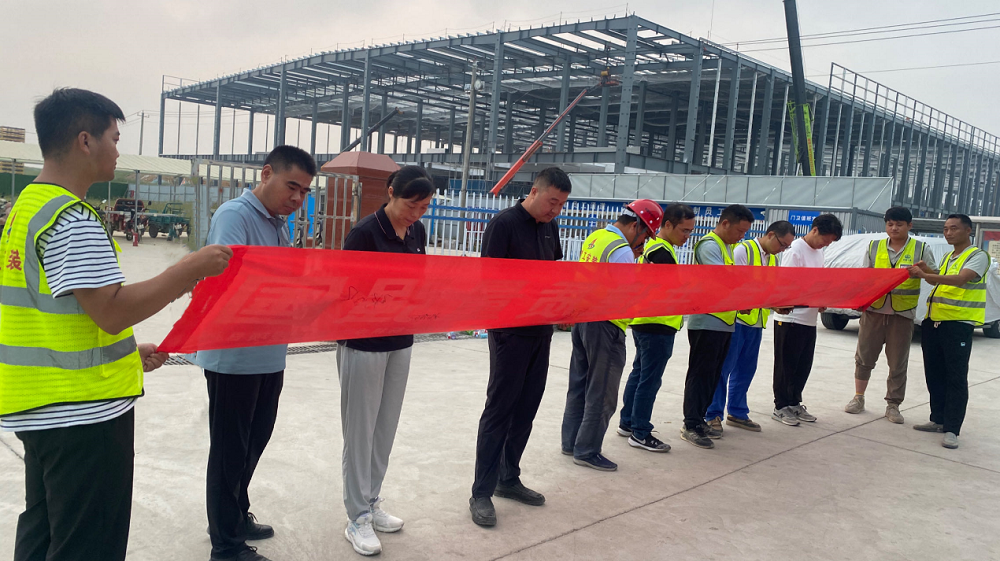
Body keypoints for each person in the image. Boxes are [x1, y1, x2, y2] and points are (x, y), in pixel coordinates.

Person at [0, 88, 231, 561]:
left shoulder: (27, 207)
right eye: (114, 138)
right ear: (85, 141)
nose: (118, 151)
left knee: (43, 532)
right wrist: (188, 269)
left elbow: (60, 314)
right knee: (87, 545)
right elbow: (111, 312)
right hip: (82, 416)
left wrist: (126, 354)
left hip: (41, 406)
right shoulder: (72, 217)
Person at [190, 145, 317, 561]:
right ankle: (226, 546)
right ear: (266, 174)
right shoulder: (236, 216)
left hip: (268, 353)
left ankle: (235, 516)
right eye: (292, 186)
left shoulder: (278, 224)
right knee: (229, 452)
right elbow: (229, 283)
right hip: (235, 357)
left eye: (304, 192)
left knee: (253, 444)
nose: (297, 198)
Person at [338, 166, 433, 555]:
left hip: (401, 340)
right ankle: (356, 516)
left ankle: (372, 500)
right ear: (391, 192)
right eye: (411, 205)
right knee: (360, 431)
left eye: (424, 208)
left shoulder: (417, 233)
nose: (416, 214)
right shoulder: (364, 234)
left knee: (385, 427)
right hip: (363, 344)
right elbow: (346, 290)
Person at [469, 168, 571, 527]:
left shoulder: (550, 228)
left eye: (561, 205)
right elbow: (489, 280)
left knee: (527, 408)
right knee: (500, 409)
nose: (555, 210)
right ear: (534, 191)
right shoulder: (504, 225)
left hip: (541, 332)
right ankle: (481, 492)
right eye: (552, 202)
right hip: (510, 333)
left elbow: (552, 273)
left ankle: (508, 478)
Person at [562, 199, 663, 471]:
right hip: (606, 326)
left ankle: (571, 442)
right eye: (645, 235)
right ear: (635, 226)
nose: (643, 242)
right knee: (603, 392)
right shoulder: (621, 250)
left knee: (579, 386)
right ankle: (587, 450)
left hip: (583, 320)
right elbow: (625, 294)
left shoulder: (597, 238)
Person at [845, 207, 936, 424]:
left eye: (899, 224)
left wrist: (924, 272)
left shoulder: (921, 248)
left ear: (909, 226)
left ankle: (893, 405)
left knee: (897, 363)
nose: (894, 228)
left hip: (902, 315)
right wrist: (859, 301)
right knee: (864, 358)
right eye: (890, 224)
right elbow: (864, 278)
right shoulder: (874, 246)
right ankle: (858, 398)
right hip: (874, 312)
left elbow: (935, 278)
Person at [617, 203, 696, 453]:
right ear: (667, 225)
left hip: (644, 321)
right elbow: (674, 289)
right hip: (657, 325)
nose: (687, 236)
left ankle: (628, 422)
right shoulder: (661, 251)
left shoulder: (651, 247)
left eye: (690, 231)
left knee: (639, 374)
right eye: (684, 230)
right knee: (649, 380)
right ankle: (640, 432)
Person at [908, 214, 991, 449]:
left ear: (968, 231)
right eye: (945, 229)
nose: (948, 233)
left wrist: (925, 275)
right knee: (934, 373)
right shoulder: (948, 256)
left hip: (958, 325)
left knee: (955, 377)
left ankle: (952, 428)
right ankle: (938, 419)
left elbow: (961, 280)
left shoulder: (977, 256)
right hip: (935, 321)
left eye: (954, 228)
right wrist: (927, 270)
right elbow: (939, 282)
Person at [705, 220, 796, 434]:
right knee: (724, 369)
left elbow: (768, 289)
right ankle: (713, 414)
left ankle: (737, 412)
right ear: (770, 234)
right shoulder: (743, 250)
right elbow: (737, 287)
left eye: (786, 247)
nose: (783, 250)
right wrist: (770, 304)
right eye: (782, 244)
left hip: (756, 321)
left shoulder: (772, 258)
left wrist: (778, 303)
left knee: (746, 370)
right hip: (737, 320)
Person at [679, 204, 754, 449]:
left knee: (712, 375)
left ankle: (700, 419)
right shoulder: (709, 245)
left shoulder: (726, 247)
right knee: (700, 374)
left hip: (725, 322)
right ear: (725, 223)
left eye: (745, 232)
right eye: (739, 231)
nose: (741, 236)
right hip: (707, 321)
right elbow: (722, 281)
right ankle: (690, 424)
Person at [771, 214, 843, 426]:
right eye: (825, 239)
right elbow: (788, 284)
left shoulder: (819, 252)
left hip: (809, 319)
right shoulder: (795, 250)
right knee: (786, 365)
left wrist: (820, 299)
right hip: (790, 318)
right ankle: (780, 406)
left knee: (803, 365)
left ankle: (794, 402)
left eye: (830, 242)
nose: (826, 244)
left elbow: (816, 283)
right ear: (815, 230)